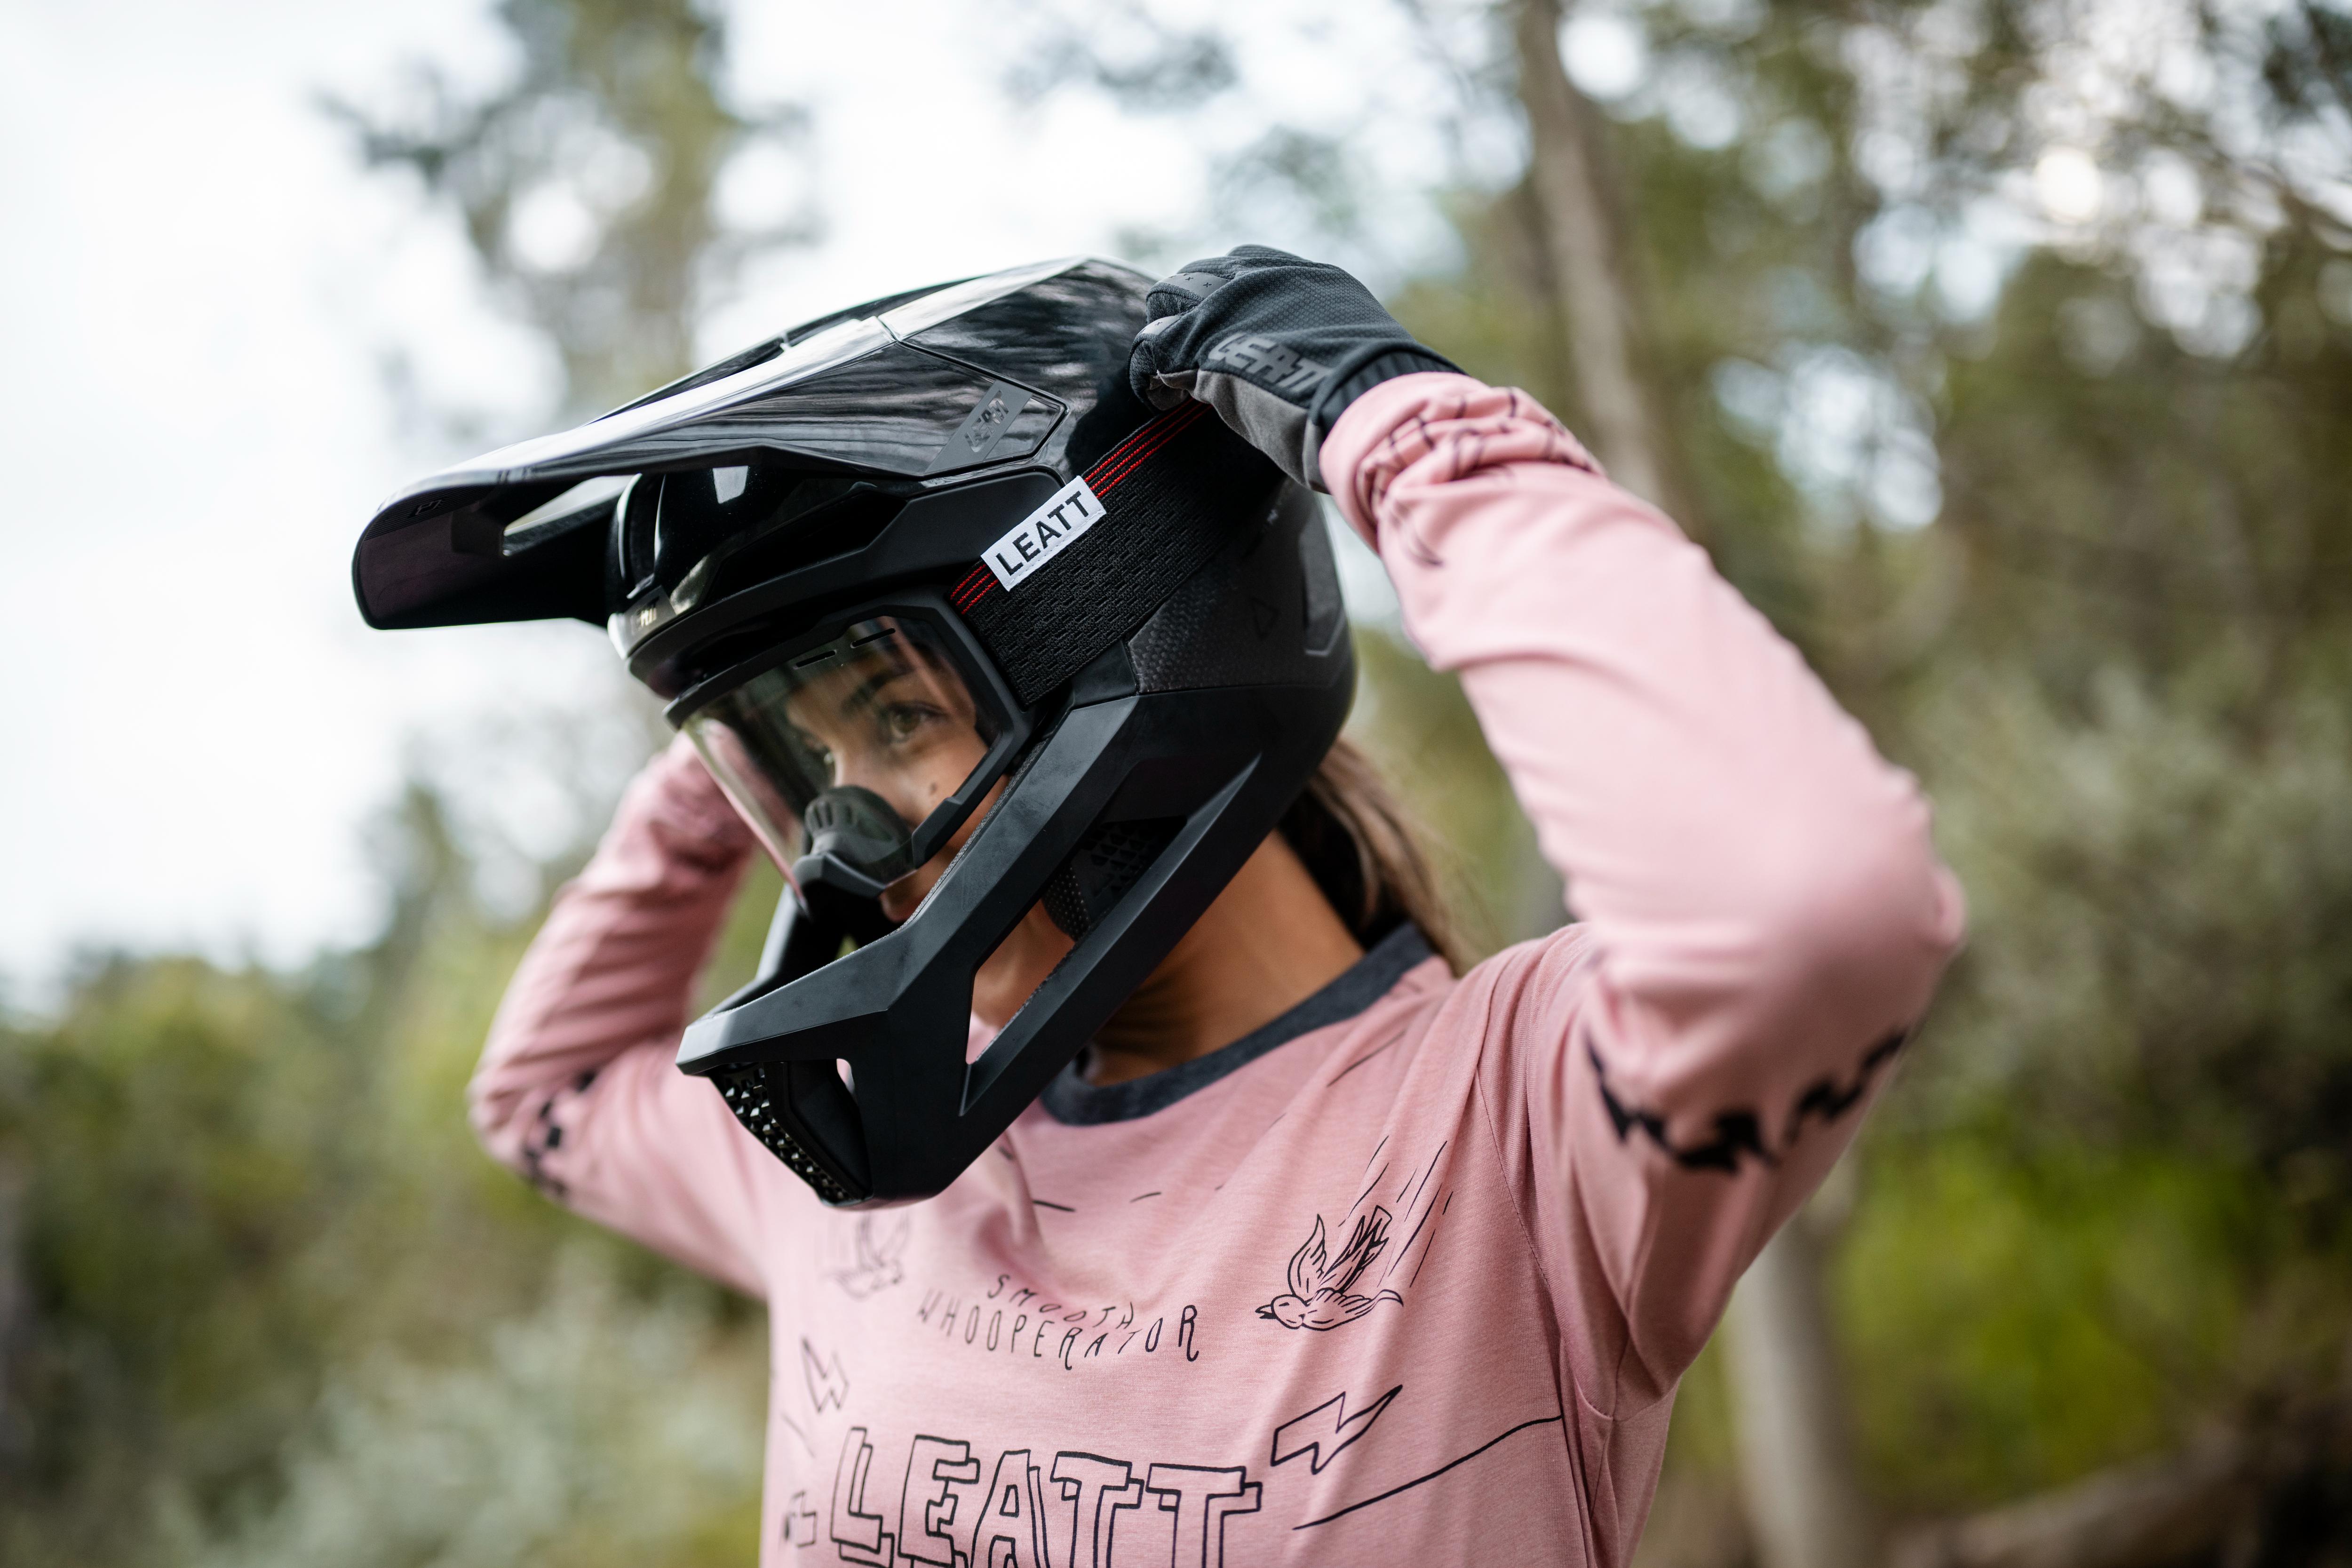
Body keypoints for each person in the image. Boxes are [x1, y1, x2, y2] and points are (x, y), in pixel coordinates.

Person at [413, 250, 1963, 1565]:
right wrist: (754, 717)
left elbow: (1810, 904)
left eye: (897, 722)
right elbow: (544, 1091)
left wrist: (1408, 432)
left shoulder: (1518, 1131)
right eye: (809, 774)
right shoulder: (863, 1141)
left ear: (1131, 661)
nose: (848, 847)